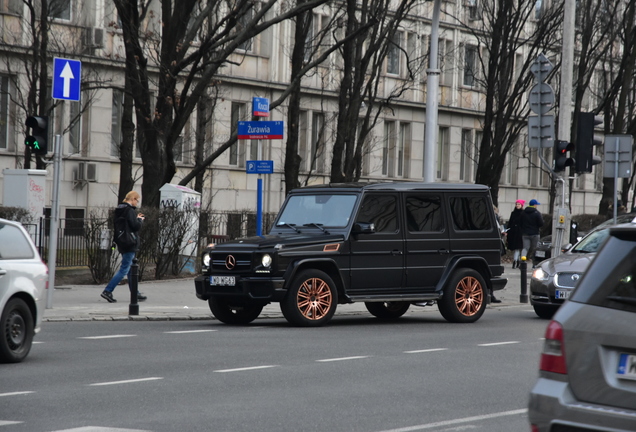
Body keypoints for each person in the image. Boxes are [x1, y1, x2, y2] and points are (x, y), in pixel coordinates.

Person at [101, 191, 147, 303]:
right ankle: (107, 290)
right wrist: (140, 220)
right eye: (137, 200)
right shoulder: (129, 210)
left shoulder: (119, 210)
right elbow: (135, 226)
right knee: (125, 269)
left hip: (122, 242)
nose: (137, 203)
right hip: (130, 243)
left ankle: (135, 293)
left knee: (131, 270)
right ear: (133, 199)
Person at [521, 199, 544, 264]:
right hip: (535, 233)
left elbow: (520, 222)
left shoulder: (523, 213)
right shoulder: (537, 213)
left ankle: (523, 259)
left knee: (525, 248)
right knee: (535, 248)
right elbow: (541, 223)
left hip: (525, 233)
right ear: (534, 205)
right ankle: (534, 263)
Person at [507, 200, 525, 268]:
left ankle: (516, 261)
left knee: (518, 247)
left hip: (520, 232)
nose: (517, 205)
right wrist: (508, 230)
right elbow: (510, 222)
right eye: (517, 204)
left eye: (519, 204)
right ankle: (516, 260)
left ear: (521, 205)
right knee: (516, 248)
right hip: (513, 232)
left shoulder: (523, 213)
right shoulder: (513, 213)